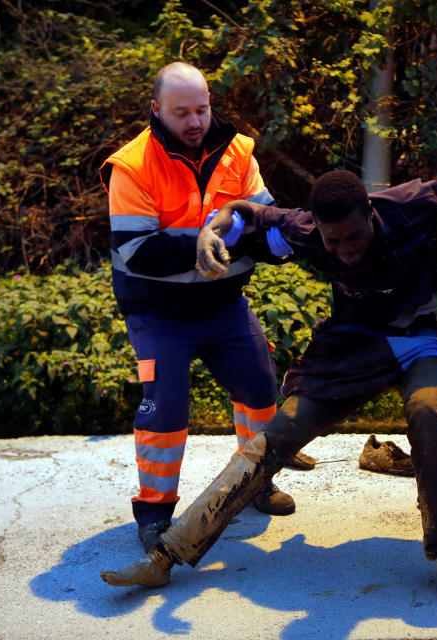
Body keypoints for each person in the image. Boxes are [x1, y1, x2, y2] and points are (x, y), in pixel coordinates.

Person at [99, 164, 437, 611]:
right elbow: (244, 211)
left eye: (353, 237)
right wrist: (210, 231)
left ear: (370, 215)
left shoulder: (415, 207)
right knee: (272, 440)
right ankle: (166, 555)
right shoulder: (305, 228)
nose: (344, 250)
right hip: (349, 349)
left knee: (429, 411)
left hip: (418, 340)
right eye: (332, 241)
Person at [99, 61, 313, 557]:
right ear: (156, 110)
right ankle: (154, 514)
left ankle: (254, 483)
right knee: (166, 410)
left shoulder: (238, 152)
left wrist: (273, 237)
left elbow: (261, 217)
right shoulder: (131, 166)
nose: (195, 121)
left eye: (202, 108)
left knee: (261, 391)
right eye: (181, 113)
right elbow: (136, 250)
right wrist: (197, 243)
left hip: (224, 305)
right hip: (158, 313)